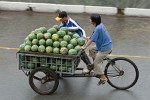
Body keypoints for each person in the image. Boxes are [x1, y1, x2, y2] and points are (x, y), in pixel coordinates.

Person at [81, 13, 113, 81]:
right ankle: (96, 67)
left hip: (105, 48)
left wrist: (84, 47)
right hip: (103, 45)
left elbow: (90, 41)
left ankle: (103, 77)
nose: (89, 20)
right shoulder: (100, 25)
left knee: (96, 62)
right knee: (92, 50)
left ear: (93, 21)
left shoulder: (98, 28)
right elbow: (94, 37)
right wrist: (89, 38)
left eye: (90, 19)